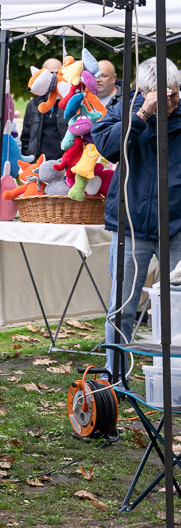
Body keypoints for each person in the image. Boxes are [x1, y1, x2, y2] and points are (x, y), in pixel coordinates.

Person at [91, 58, 181, 381]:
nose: (170, 102)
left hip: (177, 226)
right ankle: (115, 379)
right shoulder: (125, 109)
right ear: (143, 91)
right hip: (132, 226)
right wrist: (143, 114)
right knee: (123, 307)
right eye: (163, 97)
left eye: (174, 94)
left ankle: (175, 376)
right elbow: (107, 147)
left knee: (179, 303)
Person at [21, 56, 68, 162]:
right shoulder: (33, 104)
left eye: (57, 73)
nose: (54, 77)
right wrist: (28, 161)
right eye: (50, 73)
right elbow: (25, 136)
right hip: (38, 162)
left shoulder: (70, 103)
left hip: (64, 163)